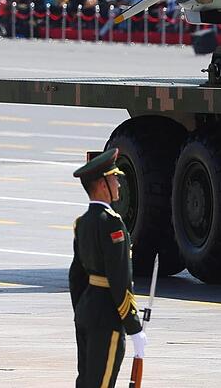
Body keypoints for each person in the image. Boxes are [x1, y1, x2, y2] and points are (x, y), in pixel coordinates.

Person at [68, 149, 146, 388]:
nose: (119, 185)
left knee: (86, 382)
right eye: (114, 179)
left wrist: (82, 308)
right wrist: (134, 327)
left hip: (86, 310)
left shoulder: (82, 223)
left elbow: (76, 276)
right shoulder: (112, 223)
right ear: (102, 185)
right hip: (106, 316)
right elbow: (119, 279)